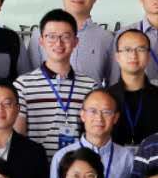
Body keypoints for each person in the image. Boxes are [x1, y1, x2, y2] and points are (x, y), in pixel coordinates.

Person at [15, 10, 100, 153]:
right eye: (51, 37)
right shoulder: (22, 85)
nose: (58, 43)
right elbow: (18, 138)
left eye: (65, 37)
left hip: (77, 164)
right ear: (41, 41)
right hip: (38, 164)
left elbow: (93, 134)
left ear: (75, 42)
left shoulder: (90, 86)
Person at [50, 88, 137, 178]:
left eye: (106, 112)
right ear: (82, 115)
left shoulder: (127, 158)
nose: (99, 118)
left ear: (116, 117)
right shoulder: (61, 156)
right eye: (93, 111)